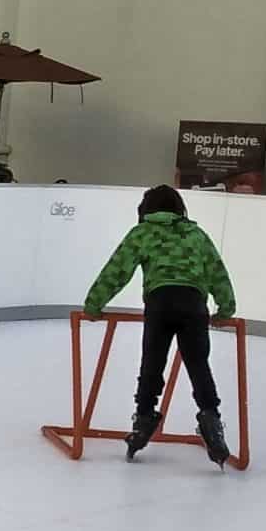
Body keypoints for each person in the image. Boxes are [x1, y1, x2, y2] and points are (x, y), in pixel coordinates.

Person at [82, 183, 240, 466]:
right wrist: (225, 308)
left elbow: (117, 270)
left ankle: (143, 420)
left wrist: (94, 304)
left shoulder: (142, 233)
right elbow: (217, 271)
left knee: (152, 364)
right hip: (193, 304)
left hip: (160, 303)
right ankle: (211, 421)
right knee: (198, 364)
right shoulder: (195, 234)